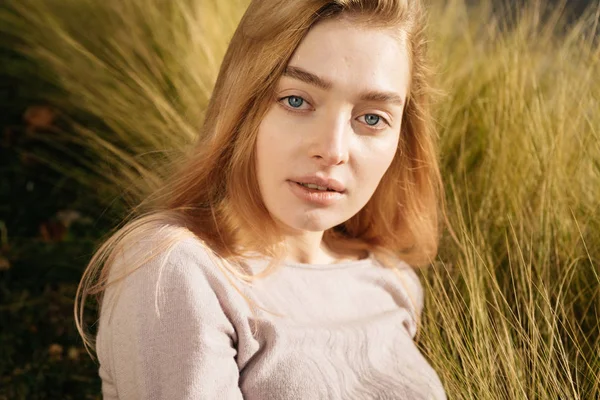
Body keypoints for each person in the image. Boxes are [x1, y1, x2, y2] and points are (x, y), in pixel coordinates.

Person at [75, 0, 448, 398]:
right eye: (296, 101)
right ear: (242, 104)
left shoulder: (393, 281)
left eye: (372, 118)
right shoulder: (178, 269)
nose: (333, 149)